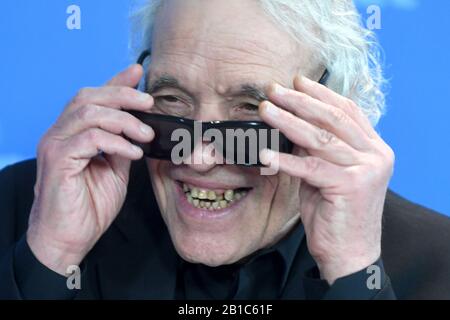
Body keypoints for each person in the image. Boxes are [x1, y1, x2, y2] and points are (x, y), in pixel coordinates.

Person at [1, 0, 450, 300]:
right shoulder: (27, 205)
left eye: (251, 115)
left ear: (336, 116)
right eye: (172, 102)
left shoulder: (436, 263)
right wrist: (49, 260)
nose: (197, 157)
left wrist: (354, 275)